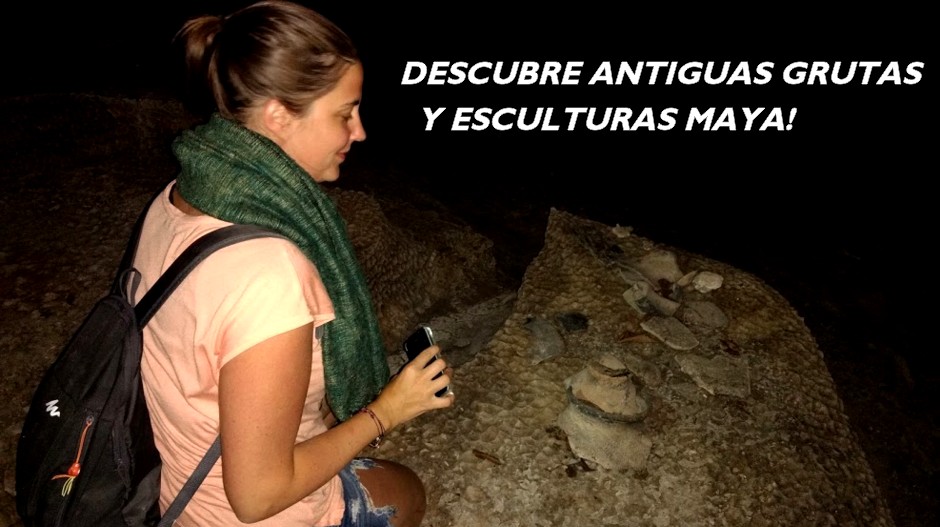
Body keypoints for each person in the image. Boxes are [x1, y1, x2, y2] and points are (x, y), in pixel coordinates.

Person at [132, 1, 454, 525]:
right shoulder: (271, 274)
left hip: (177, 479)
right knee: (408, 493)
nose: (360, 132)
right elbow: (257, 497)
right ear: (279, 114)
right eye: (344, 113)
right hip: (241, 514)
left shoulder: (180, 196)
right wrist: (387, 411)